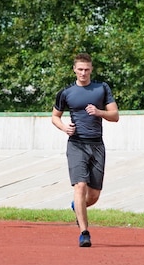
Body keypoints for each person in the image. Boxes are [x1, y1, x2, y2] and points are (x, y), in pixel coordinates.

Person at [51, 53, 119, 247]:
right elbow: (55, 116)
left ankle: (77, 207)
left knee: (94, 196)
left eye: (87, 69)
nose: (83, 73)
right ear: (74, 69)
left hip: (97, 145)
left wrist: (99, 112)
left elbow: (115, 115)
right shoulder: (66, 93)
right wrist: (64, 127)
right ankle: (84, 233)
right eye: (80, 69)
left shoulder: (101, 88)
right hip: (76, 144)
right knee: (80, 186)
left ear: (91, 69)